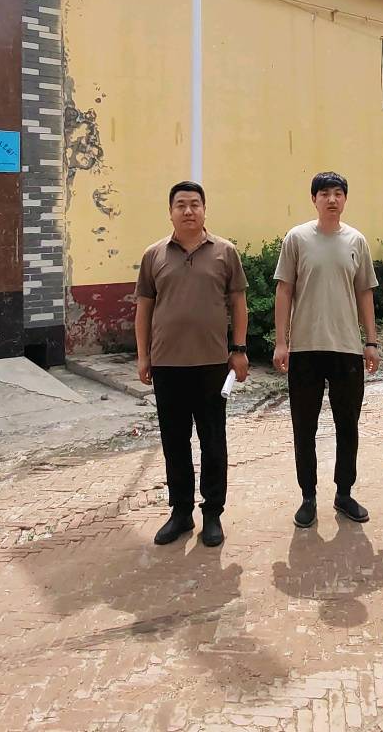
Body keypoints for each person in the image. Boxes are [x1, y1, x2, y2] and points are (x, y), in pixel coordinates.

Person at [135, 181, 249, 548]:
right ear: (170, 212)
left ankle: (212, 513)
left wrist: (239, 349)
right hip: (167, 365)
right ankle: (181, 513)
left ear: (204, 209)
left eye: (194, 204)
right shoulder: (154, 255)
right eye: (181, 205)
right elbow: (144, 309)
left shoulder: (225, 252)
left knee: (213, 442)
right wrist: (143, 355)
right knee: (174, 442)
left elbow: (238, 303)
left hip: (212, 364)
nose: (188, 211)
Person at [273, 172, 380, 528]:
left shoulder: (356, 241)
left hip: (347, 349)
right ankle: (308, 496)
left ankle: (344, 493)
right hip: (305, 348)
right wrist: (282, 342)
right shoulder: (297, 238)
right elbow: (284, 290)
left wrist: (371, 342)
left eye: (337, 193)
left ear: (345, 199)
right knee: (304, 427)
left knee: (347, 425)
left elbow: (365, 292)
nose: (331, 199)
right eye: (324, 194)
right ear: (314, 199)